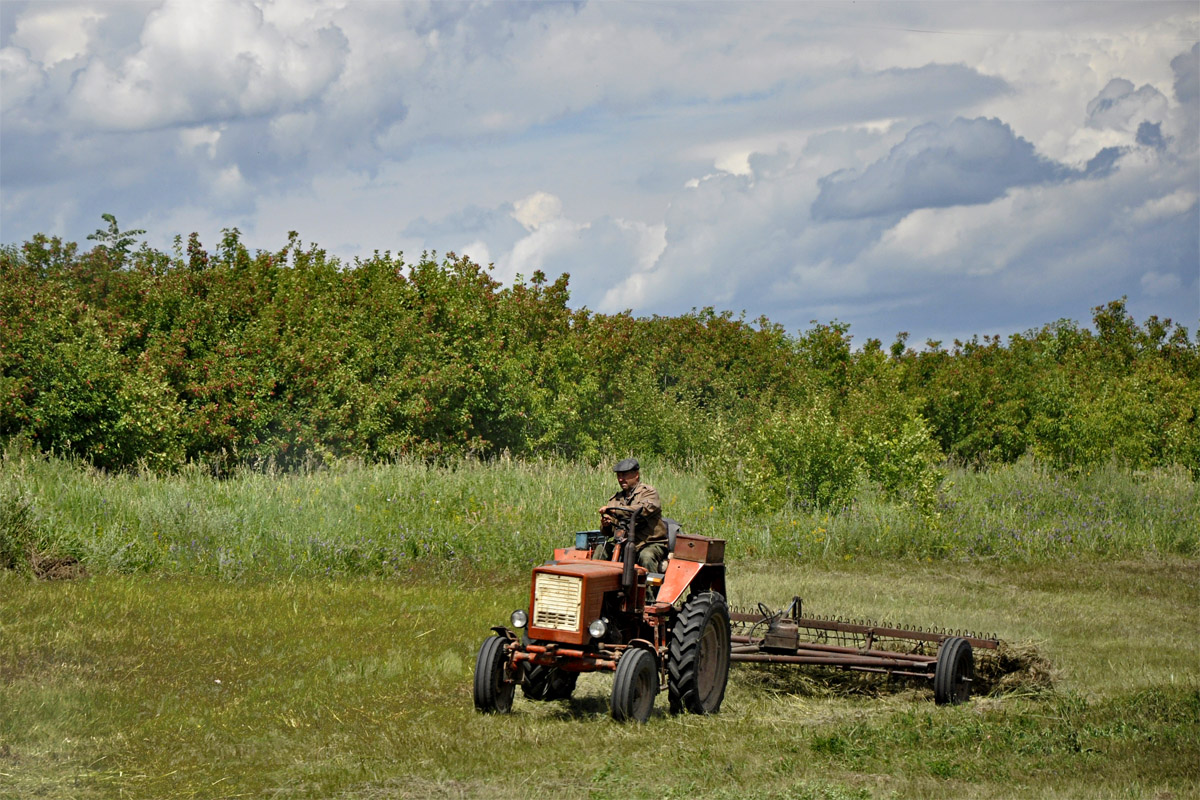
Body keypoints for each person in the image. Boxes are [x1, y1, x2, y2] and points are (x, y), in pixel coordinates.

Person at [592, 457, 669, 572]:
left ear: (636, 475)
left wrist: (614, 510)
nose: (621, 479)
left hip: (649, 543)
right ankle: (596, 587)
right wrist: (607, 525)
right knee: (600, 550)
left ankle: (650, 589)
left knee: (646, 557)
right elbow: (608, 532)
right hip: (623, 543)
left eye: (624, 475)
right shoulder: (615, 499)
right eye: (618, 476)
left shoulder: (649, 493)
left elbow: (641, 510)